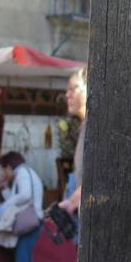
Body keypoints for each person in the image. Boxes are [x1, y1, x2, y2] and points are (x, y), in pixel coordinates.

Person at [0, 150, 44, 262]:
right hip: (33, 222)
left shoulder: (22, 173)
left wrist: (6, 203)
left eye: (4, 169)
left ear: (10, 166)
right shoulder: (24, 173)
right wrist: (4, 189)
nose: (4, 173)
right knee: (24, 261)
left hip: (30, 223)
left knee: (23, 261)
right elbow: (20, 196)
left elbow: (24, 195)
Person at [58, 67, 88, 215]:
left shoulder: (99, 128)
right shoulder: (84, 126)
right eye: (67, 90)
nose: (67, 94)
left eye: (73, 89)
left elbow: (104, 174)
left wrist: (74, 200)